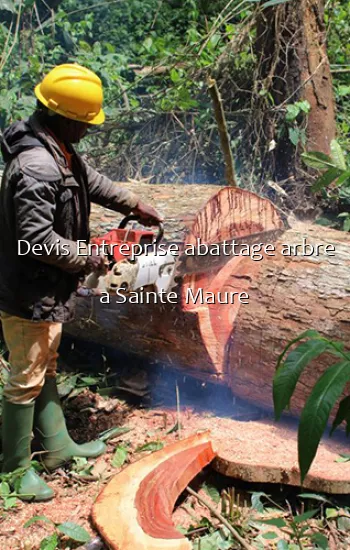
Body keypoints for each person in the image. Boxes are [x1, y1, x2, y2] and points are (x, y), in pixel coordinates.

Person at [0, 63, 162, 501]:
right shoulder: (37, 166)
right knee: (24, 377)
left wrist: (136, 204)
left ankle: (56, 447)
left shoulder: (57, 149)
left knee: (45, 365)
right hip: (29, 289)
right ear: (64, 117)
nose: (88, 131)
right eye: (85, 124)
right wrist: (92, 255)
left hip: (46, 287)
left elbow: (92, 182)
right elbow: (35, 241)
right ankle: (13, 472)